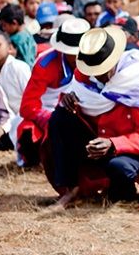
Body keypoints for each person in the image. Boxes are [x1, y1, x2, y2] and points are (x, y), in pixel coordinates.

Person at [47, 26, 139, 213]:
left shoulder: (138, 82)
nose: (97, 75)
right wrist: (69, 99)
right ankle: (71, 189)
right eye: (93, 70)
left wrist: (113, 144)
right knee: (59, 118)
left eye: (101, 70)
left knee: (119, 167)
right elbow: (79, 98)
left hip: (126, 150)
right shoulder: (85, 76)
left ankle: (123, 192)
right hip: (96, 140)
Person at [17, 18, 89, 166]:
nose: (77, 57)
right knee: (28, 133)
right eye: (73, 53)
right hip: (47, 113)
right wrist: (52, 120)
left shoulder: (94, 61)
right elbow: (27, 105)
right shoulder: (45, 65)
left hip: (85, 111)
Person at [0, 30, 31, 158]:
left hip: (21, 120)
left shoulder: (19, 68)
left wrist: (3, 128)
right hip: (0, 122)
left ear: (9, 48)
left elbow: (31, 101)